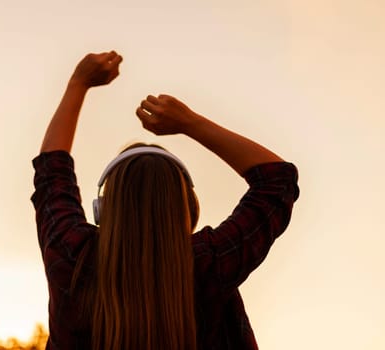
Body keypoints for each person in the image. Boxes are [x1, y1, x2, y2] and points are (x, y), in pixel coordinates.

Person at [31, 50, 299, 350]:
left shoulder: (73, 255)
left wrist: (78, 84)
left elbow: (51, 175)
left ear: (102, 210)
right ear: (190, 210)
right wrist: (190, 123)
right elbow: (277, 182)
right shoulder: (210, 264)